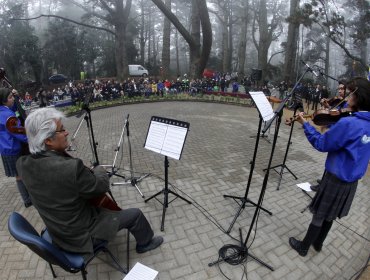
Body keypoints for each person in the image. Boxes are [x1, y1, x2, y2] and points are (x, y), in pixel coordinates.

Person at [16, 107, 163, 259]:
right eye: (62, 130)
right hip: (81, 236)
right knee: (136, 215)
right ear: (48, 140)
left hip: (57, 231)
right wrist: (98, 169)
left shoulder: (22, 163)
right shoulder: (71, 168)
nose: (67, 132)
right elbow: (101, 187)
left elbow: (57, 183)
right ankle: (145, 243)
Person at [289, 77, 370, 257]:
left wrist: (306, 125)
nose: (347, 96)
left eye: (350, 93)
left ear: (358, 96)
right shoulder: (363, 121)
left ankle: (304, 247)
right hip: (352, 180)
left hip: (335, 176)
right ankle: (318, 243)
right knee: (331, 214)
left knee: (320, 213)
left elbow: (321, 144)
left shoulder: (349, 122)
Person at [0, 88, 32, 207]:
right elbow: (18, 133)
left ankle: (27, 198)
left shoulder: (3, 112)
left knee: (19, 175)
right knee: (19, 176)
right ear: (3, 101)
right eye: (10, 97)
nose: (12, 98)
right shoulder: (8, 115)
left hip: (5, 149)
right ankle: (27, 200)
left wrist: (16, 98)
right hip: (13, 148)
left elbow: (13, 110)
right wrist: (31, 139)